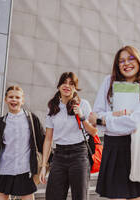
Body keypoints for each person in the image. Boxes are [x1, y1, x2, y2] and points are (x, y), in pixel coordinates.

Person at [88, 45, 140, 200]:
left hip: (135, 147)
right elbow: (95, 116)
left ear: (138, 62)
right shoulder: (108, 82)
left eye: (130, 59)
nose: (126, 63)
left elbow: (133, 122)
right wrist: (118, 115)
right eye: (121, 61)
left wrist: (105, 119)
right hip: (113, 147)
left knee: (136, 197)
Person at [39, 72, 97, 200]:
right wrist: (44, 166)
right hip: (59, 156)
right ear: (59, 85)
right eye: (64, 82)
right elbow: (48, 139)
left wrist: (82, 117)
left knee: (80, 197)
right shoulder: (53, 107)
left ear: (75, 88)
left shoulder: (83, 104)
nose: (67, 86)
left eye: (71, 84)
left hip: (79, 155)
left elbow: (93, 132)